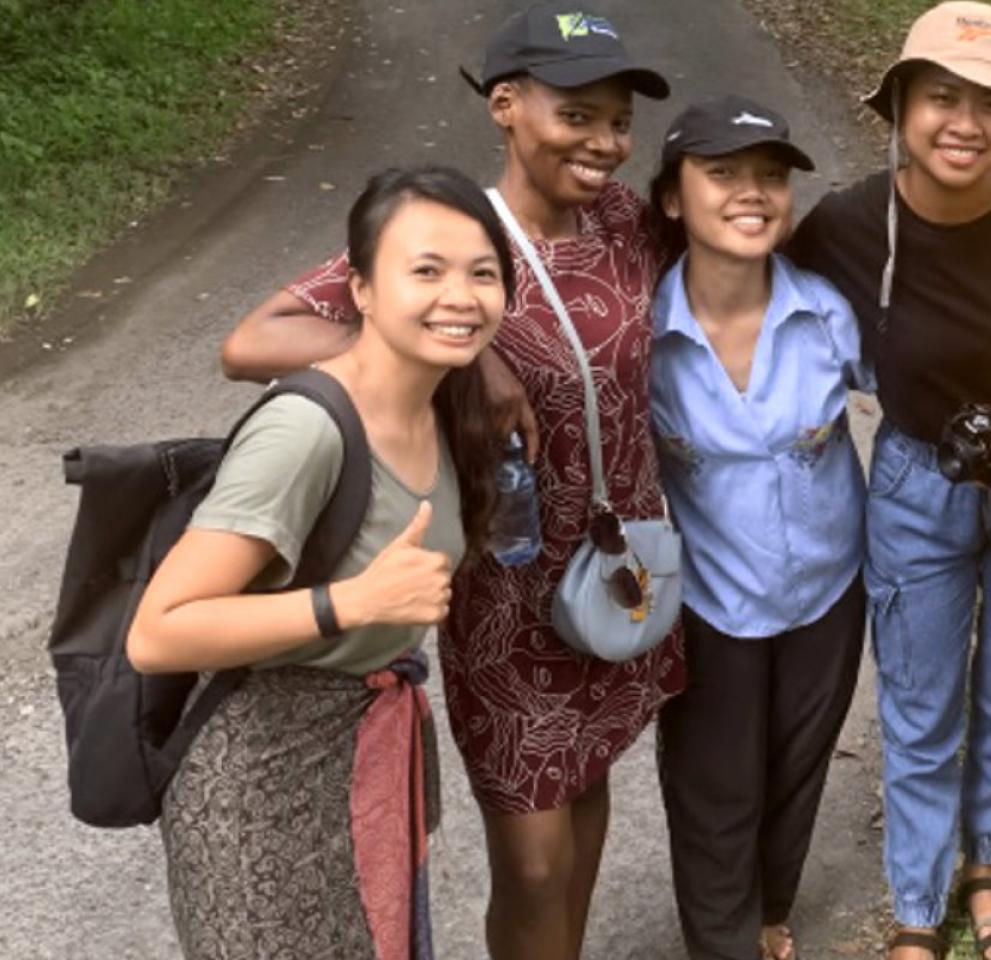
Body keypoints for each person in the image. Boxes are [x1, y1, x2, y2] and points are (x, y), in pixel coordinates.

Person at [217, 5, 685, 957]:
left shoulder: (629, 225)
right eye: (576, 115)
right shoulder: (454, 233)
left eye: (616, 121)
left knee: (588, 788)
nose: (604, 143)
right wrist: (470, 363)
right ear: (507, 106)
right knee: (533, 856)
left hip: (620, 570)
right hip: (503, 593)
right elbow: (252, 340)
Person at [784, 4, 991, 958]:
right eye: (942, 98)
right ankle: (918, 907)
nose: (966, 122)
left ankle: (987, 866)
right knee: (921, 702)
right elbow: (752, 297)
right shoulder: (846, 223)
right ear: (902, 109)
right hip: (920, 481)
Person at [128, 164, 507, 957]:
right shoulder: (306, 429)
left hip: (366, 757)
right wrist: (352, 604)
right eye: (426, 270)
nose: (461, 296)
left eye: (483, 272)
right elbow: (158, 633)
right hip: (261, 789)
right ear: (362, 290)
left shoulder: (445, 405)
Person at [644, 95, 865, 960]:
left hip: (829, 587)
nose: (752, 193)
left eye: (770, 176)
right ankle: (724, 942)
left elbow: (919, 391)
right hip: (711, 602)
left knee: (797, 768)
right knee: (713, 788)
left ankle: (772, 908)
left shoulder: (827, 315)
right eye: (723, 173)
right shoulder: (644, 336)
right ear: (672, 197)